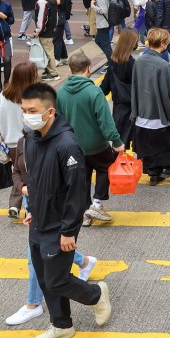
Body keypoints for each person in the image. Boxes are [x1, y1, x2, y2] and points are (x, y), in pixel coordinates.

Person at [19, 83, 112, 338]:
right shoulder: (33, 139)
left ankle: (96, 295)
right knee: (43, 276)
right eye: (24, 110)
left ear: (49, 111)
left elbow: (77, 192)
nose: (27, 115)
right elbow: (36, 180)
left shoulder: (67, 145)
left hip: (60, 225)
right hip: (39, 220)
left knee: (57, 279)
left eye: (32, 110)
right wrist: (33, 208)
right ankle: (61, 325)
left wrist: (69, 231)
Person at [57, 52, 126, 225]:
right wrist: (117, 142)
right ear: (89, 68)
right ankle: (96, 203)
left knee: (82, 177)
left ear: (71, 69)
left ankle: (85, 211)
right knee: (106, 167)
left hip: (73, 145)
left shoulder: (61, 92)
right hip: (96, 144)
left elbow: (57, 119)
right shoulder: (94, 92)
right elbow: (106, 121)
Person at [131, 28, 170, 185]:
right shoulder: (162, 65)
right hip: (161, 114)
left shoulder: (139, 61)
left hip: (142, 113)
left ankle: (154, 173)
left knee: (149, 145)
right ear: (162, 43)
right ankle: (168, 168)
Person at [0, 61, 40, 218]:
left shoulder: (4, 94)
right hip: (27, 141)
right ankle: (28, 207)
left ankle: (14, 205)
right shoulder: (32, 96)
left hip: (9, 142)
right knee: (27, 175)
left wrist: (0, 142)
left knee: (19, 172)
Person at [100, 29, 138, 148]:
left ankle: (120, 166)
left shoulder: (113, 61)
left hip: (118, 109)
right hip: (133, 109)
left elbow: (104, 87)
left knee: (120, 145)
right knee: (136, 143)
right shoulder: (132, 64)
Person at [31, 0, 60, 81]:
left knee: (48, 52)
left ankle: (53, 74)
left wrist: (37, 31)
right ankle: (49, 71)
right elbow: (55, 14)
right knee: (48, 51)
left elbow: (42, 19)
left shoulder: (41, 1)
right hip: (51, 29)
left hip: (45, 31)